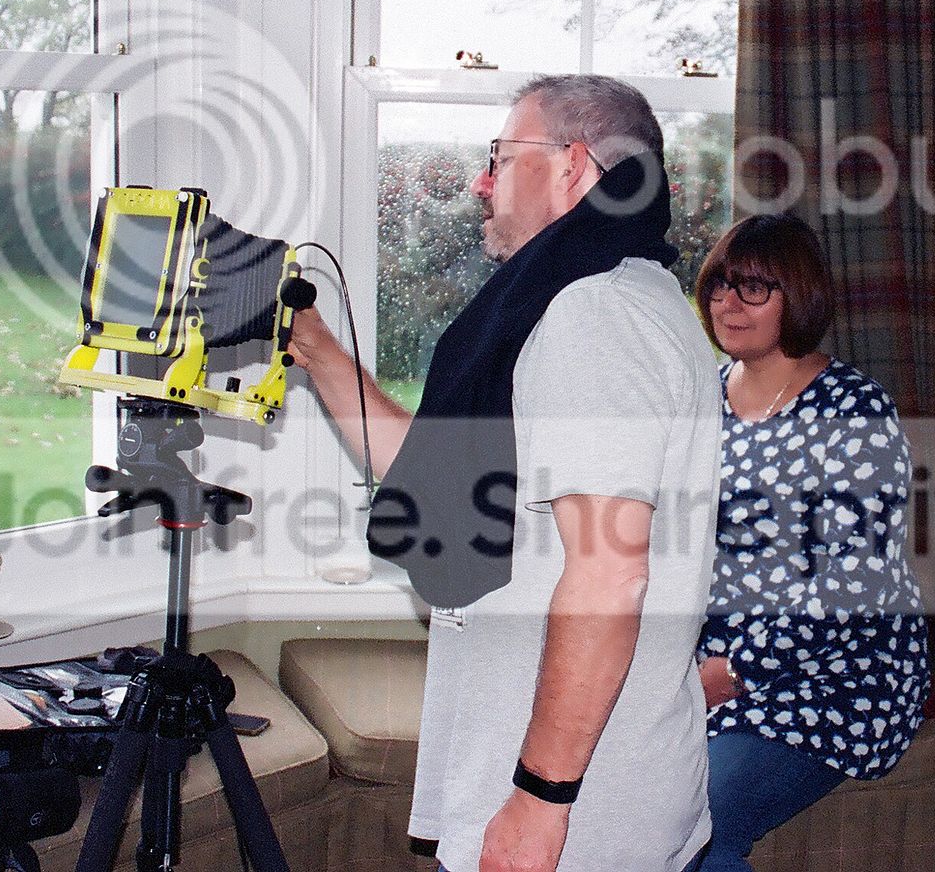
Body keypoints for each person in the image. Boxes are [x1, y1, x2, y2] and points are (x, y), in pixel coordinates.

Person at [289, 74, 721, 872]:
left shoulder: (591, 314)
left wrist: (541, 798)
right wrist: (316, 350)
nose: (480, 183)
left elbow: (609, 574)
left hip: (584, 811)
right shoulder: (607, 296)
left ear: (572, 165)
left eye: (499, 156)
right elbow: (441, 478)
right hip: (570, 786)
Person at [690, 214, 931, 872]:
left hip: (836, 675)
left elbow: (853, 584)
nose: (728, 304)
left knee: (697, 819)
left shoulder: (853, 411)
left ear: (797, 297)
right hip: (709, 663)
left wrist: (731, 673)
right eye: (719, 286)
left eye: (754, 289)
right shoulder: (699, 398)